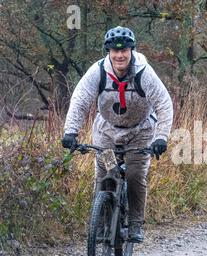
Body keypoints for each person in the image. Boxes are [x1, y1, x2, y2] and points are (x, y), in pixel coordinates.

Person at [62, 26, 173, 243]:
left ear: (132, 51)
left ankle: (134, 224)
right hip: (107, 132)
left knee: (134, 174)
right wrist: (70, 131)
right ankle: (102, 225)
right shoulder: (98, 71)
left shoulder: (143, 72)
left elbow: (164, 104)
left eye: (124, 51)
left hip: (140, 132)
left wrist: (161, 137)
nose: (119, 55)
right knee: (106, 174)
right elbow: (80, 100)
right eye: (114, 51)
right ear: (108, 52)